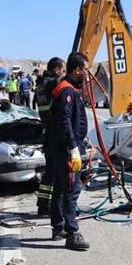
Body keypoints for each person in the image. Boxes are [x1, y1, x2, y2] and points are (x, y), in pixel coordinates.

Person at [47, 52, 90, 251]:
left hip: (60, 147)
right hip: (65, 149)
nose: (87, 75)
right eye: (85, 70)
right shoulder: (66, 91)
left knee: (60, 188)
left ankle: (58, 227)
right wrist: (73, 147)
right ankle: (72, 233)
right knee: (72, 189)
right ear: (77, 70)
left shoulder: (69, 88)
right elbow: (64, 121)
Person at [35, 57, 66, 216]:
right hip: (53, 132)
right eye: (63, 69)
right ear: (56, 70)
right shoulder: (50, 82)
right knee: (56, 172)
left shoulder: (41, 84)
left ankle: (43, 204)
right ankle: (52, 206)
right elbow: (63, 81)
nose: (63, 73)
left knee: (50, 171)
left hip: (46, 131)